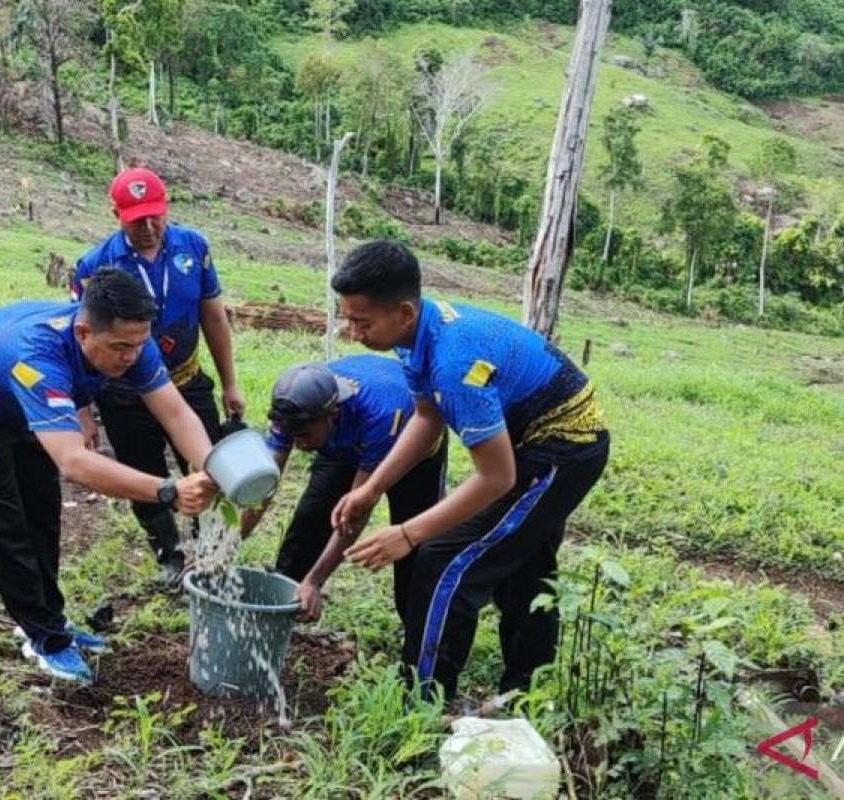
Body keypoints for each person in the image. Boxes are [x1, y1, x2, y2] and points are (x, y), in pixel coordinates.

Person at [330, 240, 610, 700]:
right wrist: (372, 489)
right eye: (347, 318)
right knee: (522, 560)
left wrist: (408, 534)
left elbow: (497, 477)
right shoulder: (414, 336)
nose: (352, 332)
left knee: (445, 560)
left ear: (403, 312)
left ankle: (422, 698)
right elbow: (426, 418)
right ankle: (527, 693)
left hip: (564, 447)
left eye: (362, 322)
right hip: (531, 441)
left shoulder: (454, 363)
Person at [0, 269, 218, 684]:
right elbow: (74, 462)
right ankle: (43, 638)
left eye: (138, 345)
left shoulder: (131, 341)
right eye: (119, 347)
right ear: (83, 333)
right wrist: (167, 491)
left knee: (42, 513)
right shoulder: (37, 356)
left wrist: (210, 468)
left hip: (26, 407)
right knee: (1, 524)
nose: (130, 357)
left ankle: (50, 621)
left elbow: (175, 411)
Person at [71, 167, 243, 585]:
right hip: (123, 390)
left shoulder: (193, 247)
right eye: (136, 219)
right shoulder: (95, 266)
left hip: (184, 379)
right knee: (141, 468)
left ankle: (212, 541)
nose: (148, 227)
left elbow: (213, 318)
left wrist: (230, 382)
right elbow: (81, 340)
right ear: (116, 214)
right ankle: (167, 548)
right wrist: (82, 409)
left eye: (155, 216)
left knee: (209, 460)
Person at [240, 356, 446, 633]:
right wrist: (230, 541)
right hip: (342, 445)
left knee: (414, 549)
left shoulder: (381, 413)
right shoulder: (292, 409)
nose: (298, 446)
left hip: (410, 451)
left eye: (303, 436)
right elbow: (263, 486)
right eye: (292, 437)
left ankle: (420, 637)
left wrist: (316, 580)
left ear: (332, 414)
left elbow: (355, 514)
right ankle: (279, 608)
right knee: (310, 517)